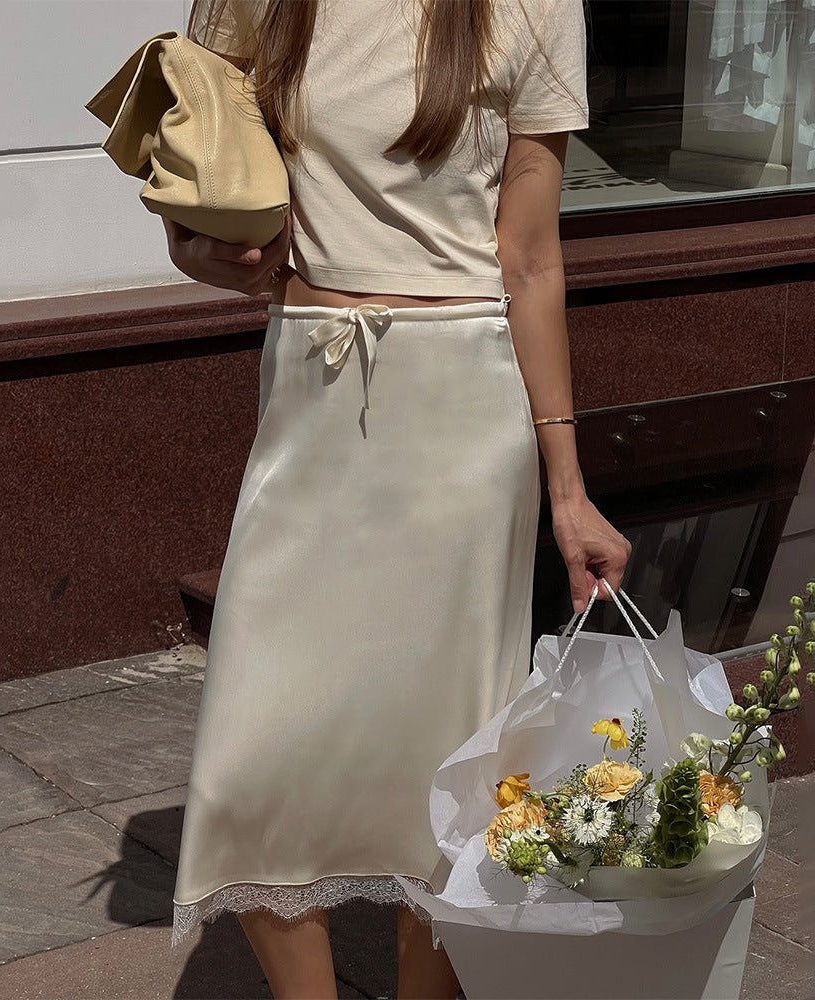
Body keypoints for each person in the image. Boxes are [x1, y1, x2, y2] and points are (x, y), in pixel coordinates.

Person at [165, 1, 631, 997]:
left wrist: (567, 490)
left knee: (453, 759)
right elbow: (197, 172)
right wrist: (198, 250)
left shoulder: (532, 4)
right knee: (253, 755)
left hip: (462, 411)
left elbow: (531, 257)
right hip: (314, 395)